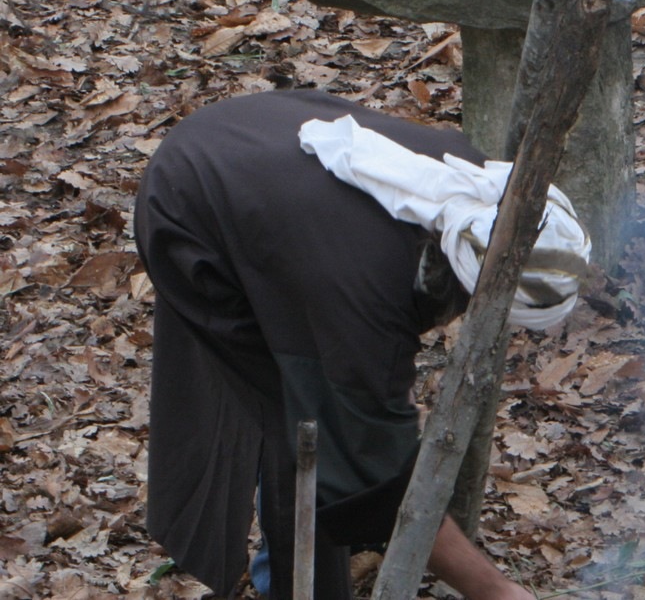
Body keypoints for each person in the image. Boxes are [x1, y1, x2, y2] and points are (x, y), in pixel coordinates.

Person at [135, 88, 588, 599]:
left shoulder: (476, 185)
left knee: (328, 414)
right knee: (306, 425)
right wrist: (496, 591)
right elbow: (378, 471)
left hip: (253, 135)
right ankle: (298, 587)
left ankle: (310, 555)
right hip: (190, 204)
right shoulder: (362, 304)